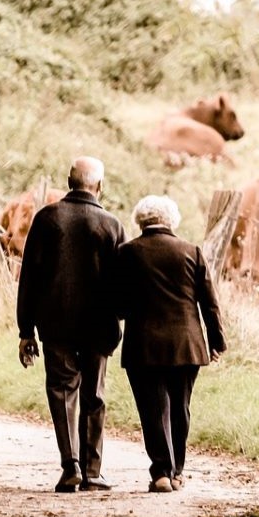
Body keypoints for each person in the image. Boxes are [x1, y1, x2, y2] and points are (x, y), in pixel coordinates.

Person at [16, 156, 127, 493]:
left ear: (68, 181)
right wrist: (119, 318)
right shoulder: (111, 225)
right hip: (99, 326)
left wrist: (26, 331)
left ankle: (71, 466)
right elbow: (121, 283)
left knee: (62, 392)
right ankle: (93, 472)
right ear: (100, 186)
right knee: (94, 394)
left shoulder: (47, 219)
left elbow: (29, 279)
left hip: (56, 324)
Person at [115, 195, 226, 493]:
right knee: (180, 407)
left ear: (140, 220)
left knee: (153, 409)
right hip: (187, 344)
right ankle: (177, 471)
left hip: (143, 345)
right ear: (172, 220)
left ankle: (161, 472)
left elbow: (119, 305)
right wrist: (216, 341)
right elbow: (210, 304)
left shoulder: (127, 253)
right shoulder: (192, 252)